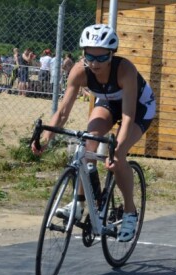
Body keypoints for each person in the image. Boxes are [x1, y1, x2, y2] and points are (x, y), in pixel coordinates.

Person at [31, 24, 156, 242]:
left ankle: (129, 212)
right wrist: (46, 140)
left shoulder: (125, 70)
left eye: (101, 58)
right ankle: (79, 203)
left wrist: (117, 147)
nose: (95, 63)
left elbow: (128, 116)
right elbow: (62, 113)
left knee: (117, 157)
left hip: (138, 107)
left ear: (111, 54)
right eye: (90, 56)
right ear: (83, 54)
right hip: (108, 102)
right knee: (86, 144)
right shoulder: (79, 71)